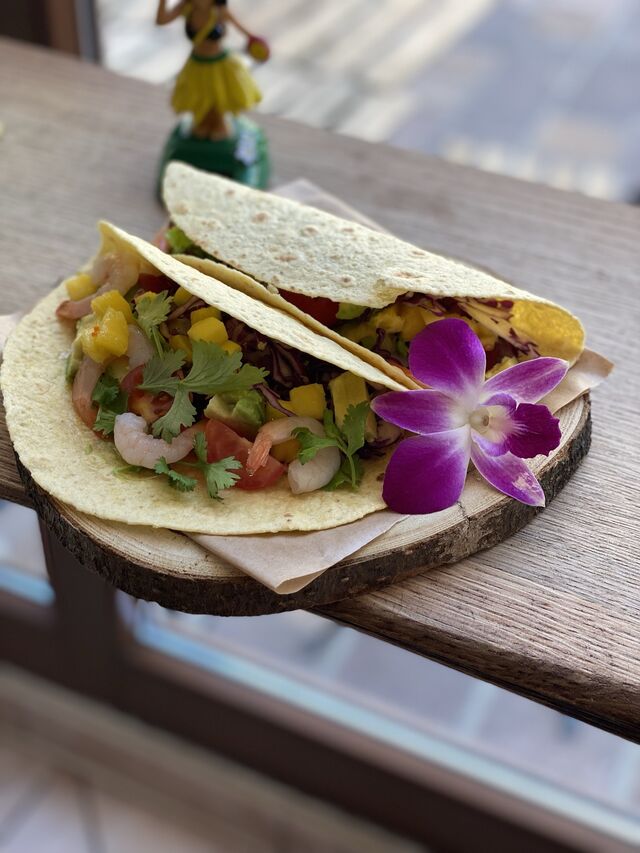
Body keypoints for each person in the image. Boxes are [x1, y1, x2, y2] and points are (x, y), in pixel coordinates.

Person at [156, 0, 267, 140]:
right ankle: (203, 124)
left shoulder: (219, 11)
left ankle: (218, 125)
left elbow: (244, 31)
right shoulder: (186, 8)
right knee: (200, 104)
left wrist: (256, 45)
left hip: (219, 65)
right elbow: (161, 20)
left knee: (217, 104)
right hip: (197, 65)